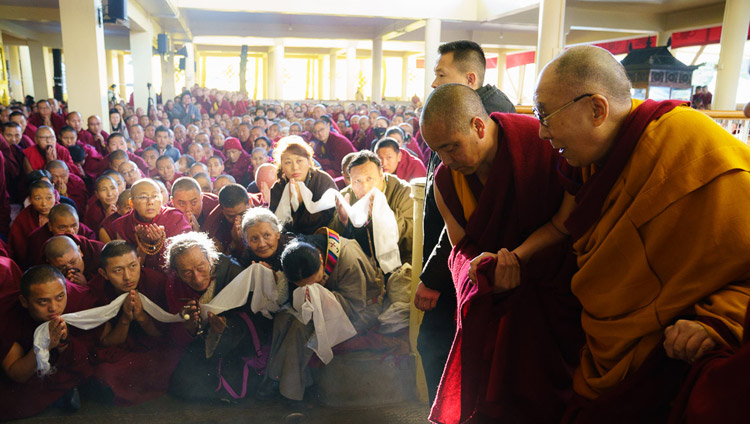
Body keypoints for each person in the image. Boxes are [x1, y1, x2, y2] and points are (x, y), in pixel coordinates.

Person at [531, 45, 750, 421]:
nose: (541, 132)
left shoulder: (689, 145)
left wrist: (719, 318)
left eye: (546, 117)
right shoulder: (592, 163)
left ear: (597, 110)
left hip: (670, 353)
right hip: (610, 345)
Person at [421, 83, 582, 423]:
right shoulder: (445, 180)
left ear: (478, 126)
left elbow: (565, 221)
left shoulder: (537, 142)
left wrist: (517, 257)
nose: (447, 161)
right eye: (438, 152)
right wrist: (484, 272)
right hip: (495, 298)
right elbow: (460, 248)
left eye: (452, 148)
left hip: (554, 292)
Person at [416, 40, 518, 405]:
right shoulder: (456, 119)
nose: (433, 84)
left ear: (470, 79)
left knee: (440, 344)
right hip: (463, 263)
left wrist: (432, 277)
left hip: (476, 269)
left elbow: (469, 216)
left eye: (441, 75)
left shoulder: (493, 127)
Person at [259, 229, 384, 402]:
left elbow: (356, 305)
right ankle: (277, 379)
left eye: (314, 280)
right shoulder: (298, 255)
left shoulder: (348, 259)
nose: (310, 285)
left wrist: (319, 294)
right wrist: (313, 294)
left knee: (300, 327)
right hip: (325, 305)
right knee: (282, 319)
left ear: (320, 260)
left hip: (361, 310)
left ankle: (290, 392)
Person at [165, 232, 272, 401]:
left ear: (210, 259)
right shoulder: (174, 285)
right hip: (202, 344)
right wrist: (189, 328)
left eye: (201, 267)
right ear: (177, 273)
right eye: (187, 273)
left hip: (237, 344)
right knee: (181, 385)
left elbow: (259, 320)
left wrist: (227, 329)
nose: (198, 278)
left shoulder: (232, 271)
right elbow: (175, 330)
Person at [88, 240, 183, 405]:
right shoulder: (97, 290)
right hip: (122, 352)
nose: (127, 276)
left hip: (153, 349)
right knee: (103, 372)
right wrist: (124, 319)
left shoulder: (156, 282)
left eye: (132, 266)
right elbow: (105, 341)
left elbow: (165, 335)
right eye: (117, 270)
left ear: (140, 261)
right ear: (103, 274)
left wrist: (142, 318)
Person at [0, 266, 96, 420]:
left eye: (60, 297)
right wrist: (46, 344)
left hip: (60, 364)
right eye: (43, 301)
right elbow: (16, 373)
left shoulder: (77, 298)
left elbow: (97, 347)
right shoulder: (6, 313)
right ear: (24, 301)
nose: (54, 308)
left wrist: (64, 344)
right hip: (28, 369)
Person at [330, 150, 414, 266]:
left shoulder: (404, 192)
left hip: (400, 260)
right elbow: (334, 241)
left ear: (381, 175)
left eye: (369, 179)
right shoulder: (347, 196)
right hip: (361, 261)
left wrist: (384, 216)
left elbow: (412, 239)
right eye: (357, 181)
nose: (364, 187)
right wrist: (342, 221)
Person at [111, 179, 191, 271]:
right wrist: (143, 244)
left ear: (161, 199)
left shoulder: (175, 218)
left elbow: (185, 258)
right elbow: (127, 268)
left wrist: (161, 241)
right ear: (131, 203)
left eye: (155, 196)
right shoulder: (123, 224)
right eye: (143, 197)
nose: (150, 202)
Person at [269, 136, 337, 235]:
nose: (295, 167)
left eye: (299, 161)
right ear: (282, 167)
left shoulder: (322, 181)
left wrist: (301, 204)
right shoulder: (278, 187)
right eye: (288, 162)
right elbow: (276, 224)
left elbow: (327, 220)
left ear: (309, 162)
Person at [24, 204, 97, 268]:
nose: (71, 231)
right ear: (50, 226)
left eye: (74, 226)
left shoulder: (86, 233)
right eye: (63, 227)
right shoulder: (36, 240)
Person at [8, 179, 56, 260]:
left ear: (55, 196)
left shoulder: (63, 212)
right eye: (38, 198)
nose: (44, 203)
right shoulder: (23, 218)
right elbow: (18, 247)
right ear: (30, 200)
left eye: (49, 198)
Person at [203, 183, 251, 256]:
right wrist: (234, 243)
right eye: (231, 216)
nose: (237, 220)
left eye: (242, 214)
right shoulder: (215, 221)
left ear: (250, 203)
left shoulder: (261, 209)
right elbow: (219, 262)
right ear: (222, 210)